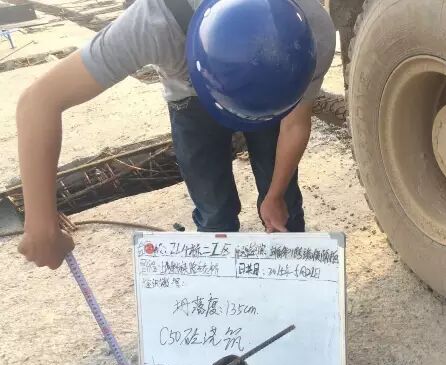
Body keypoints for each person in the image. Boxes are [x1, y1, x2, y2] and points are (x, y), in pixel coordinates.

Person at [16, 0, 336, 269]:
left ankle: (294, 284)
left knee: (284, 208)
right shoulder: (154, 22)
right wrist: (40, 223)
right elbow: (39, 101)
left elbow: (294, 124)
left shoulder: (310, 30)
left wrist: (275, 194)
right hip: (188, 97)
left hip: (273, 97)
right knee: (214, 213)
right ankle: (225, 295)